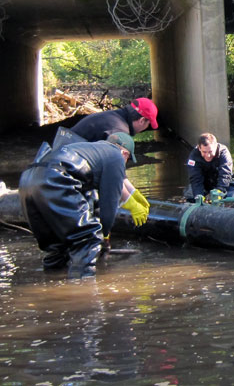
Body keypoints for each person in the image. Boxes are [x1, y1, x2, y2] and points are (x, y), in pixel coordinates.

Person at [19, 133, 144, 279]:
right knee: (87, 240)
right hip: (55, 179)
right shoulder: (116, 157)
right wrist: (104, 238)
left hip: (28, 181)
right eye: (127, 160)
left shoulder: (89, 151)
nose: (125, 164)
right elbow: (109, 206)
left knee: (58, 247)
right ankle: (83, 293)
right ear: (125, 153)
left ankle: (52, 282)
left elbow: (88, 200)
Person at [68, 98, 158, 226]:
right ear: (142, 120)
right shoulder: (118, 132)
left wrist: (133, 191)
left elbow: (117, 171)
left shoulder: (113, 118)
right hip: (66, 176)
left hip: (63, 167)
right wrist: (128, 201)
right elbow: (112, 173)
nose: (144, 129)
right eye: (147, 125)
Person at [186, 133, 234, 201]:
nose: (208, 155)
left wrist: (219, 191)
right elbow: (195, 178)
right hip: (204, 183)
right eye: (204, 152)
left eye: (210, 152)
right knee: (191, 196)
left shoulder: (224, 153)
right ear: (199, 148)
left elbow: (225, 174)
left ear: (216, 147)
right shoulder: (193, 156)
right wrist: (199, 196)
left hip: (224, 182)